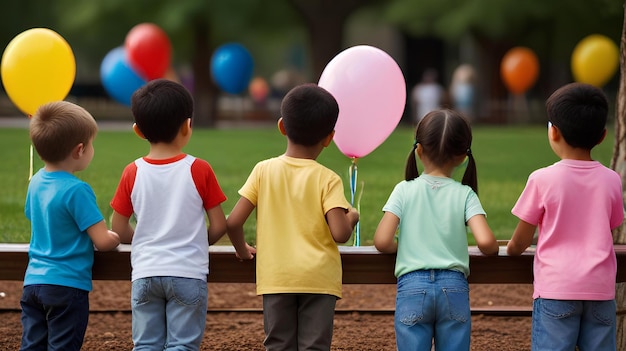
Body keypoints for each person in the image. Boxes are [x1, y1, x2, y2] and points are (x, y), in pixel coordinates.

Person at [110, 79, 255, 350]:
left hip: (145, 273)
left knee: (145, 346)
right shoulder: (199, 169)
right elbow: (219, 224)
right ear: (188, 126)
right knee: (182, 346)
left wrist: (144, 238)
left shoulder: (132, 171)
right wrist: (198, 241)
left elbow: (118, 227)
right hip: (188, 273)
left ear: (138, 130)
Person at [226, 83, 360, 351]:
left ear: (282, 126)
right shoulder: (328, 179)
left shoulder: (263, 170)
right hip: (319, 278)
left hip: (277, 275)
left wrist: (242, 250)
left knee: (278, 345)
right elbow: (340, 233)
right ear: (329, 137)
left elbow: (233, 222)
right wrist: (353, 216)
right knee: (314, 346)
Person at [507, 82, 623, 350]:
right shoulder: (611, 180)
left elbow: (520, 241)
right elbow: (613, 223)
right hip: (600, 290)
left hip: (556, 289)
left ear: (554, 132)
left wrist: (512, 250)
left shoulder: (542, 179)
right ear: (603, 135)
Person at [374, 109, 499, 351]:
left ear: (418, 150)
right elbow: (486, 242)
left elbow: (381, 241)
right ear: (463, 156)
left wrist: (402, 246)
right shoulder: (465, 194)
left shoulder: (403, 190)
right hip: (454, 287)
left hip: (412, 286)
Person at [21, 101, 121, 351]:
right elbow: (102, 241)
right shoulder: (77, 190)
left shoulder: (35, 183)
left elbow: (32, 215)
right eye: (91, 143)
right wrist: (116, 236)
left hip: (32, 282)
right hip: (66, 287)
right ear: (79, 150)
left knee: (32, 346)